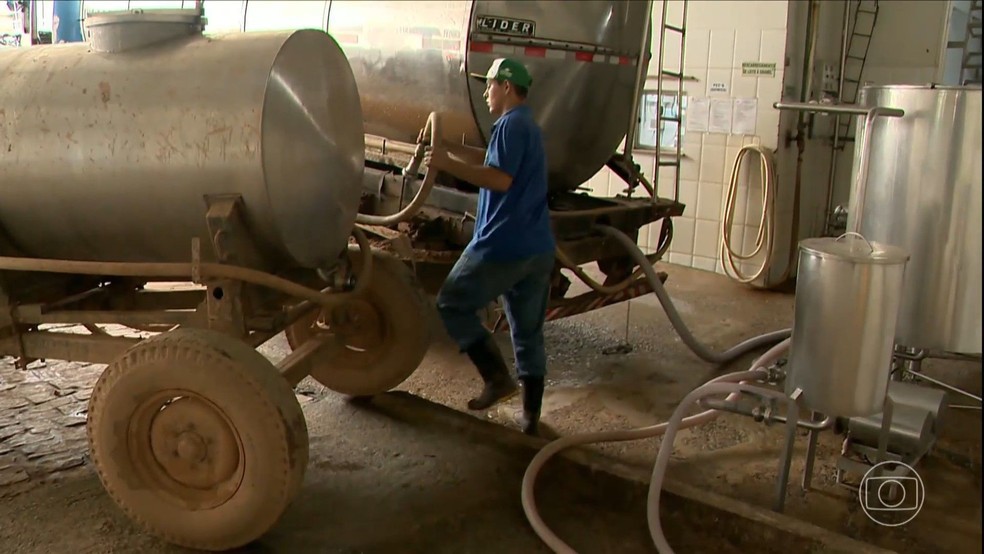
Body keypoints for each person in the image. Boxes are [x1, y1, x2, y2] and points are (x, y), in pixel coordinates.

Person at [423, 58, 556, 436]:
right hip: (536, 246)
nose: (485, 92)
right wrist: (449, 155)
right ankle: (531, 415)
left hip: (503, 244)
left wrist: (446, 161)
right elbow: (494, 168)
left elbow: (498, 179)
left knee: (451, 302)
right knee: (527, 330)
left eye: (490, 85)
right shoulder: (526, 125)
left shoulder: (510, 125)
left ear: (508, 87)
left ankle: (496, 379)